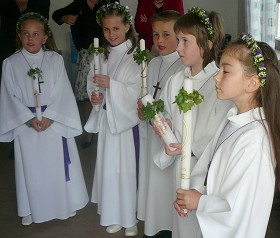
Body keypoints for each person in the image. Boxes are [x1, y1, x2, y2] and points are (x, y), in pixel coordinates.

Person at [174, 33, 280, 238]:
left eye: (226, 71)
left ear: (252, 83)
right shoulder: (233, 119)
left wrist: (199, 201)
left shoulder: (254, 141)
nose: (216, 76)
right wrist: (190, 195)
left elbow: (240, 209)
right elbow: (210, 168)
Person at [0, 12, 89, 226]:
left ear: (44, 37)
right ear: (20, 36)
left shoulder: (54, 59)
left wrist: (50, 116)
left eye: (36, 34)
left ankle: (64, 204)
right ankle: (30, 207)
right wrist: (27, 119)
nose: (30, 38)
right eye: (26, 34)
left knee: (56, 164)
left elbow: (62, 90)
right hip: (26, 124)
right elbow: (8, 95)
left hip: (53, 121)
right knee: (30, 168)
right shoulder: (11, 63)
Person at [154, 7, 233, 238]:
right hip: (179, 166)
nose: (178, 48)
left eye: (184, 41)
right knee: (181, 226)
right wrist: (164, 127)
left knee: (199, 228)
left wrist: (189, 146)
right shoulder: (176, 79)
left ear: (207, 43)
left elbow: (219, 136)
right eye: (177, 40)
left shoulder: (218, 84)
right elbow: (168, 112)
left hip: (203, 174)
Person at [84, 2, 141, 236]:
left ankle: (130, 219)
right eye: (106, 30)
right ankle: (113, 214)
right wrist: (95, 96)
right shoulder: (101, 55)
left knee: (125, 171)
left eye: (116, 28)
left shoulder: (137, 56)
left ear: (127, 26)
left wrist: (112, 86)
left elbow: (137, 90)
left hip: (126, 126)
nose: (111, 35)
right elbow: (91, 81)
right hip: (108, 120)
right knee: (109, 170)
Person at [136, 10, 184, 238]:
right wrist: (141, 109)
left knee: (166, 186)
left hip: (168, 140)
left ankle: (167, 227)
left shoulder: (183, 67)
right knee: (152, 182)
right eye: (155, 35)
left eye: (166, 34)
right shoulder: (152, 63)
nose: (160, 41)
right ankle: (154, 226)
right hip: (151, 136)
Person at [52, 0, 118, 148]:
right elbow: (56, 15)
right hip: (86, 54)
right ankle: (89, 130)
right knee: (85, 93)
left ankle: (108, 128)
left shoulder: (109, 2)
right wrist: (65, 18)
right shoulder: (79, 4)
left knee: (107, 90)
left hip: (107, 53)